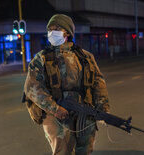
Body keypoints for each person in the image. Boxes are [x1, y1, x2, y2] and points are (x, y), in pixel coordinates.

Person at [23, 14, 109, 155]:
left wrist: (103, 108)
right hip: (56, 114)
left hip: (84, 112)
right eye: (49, 29)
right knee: (62, 151)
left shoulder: (85, 57)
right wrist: (55, 108)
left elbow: (98, 83)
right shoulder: (41, 58)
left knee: (85, 150)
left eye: (56, 28)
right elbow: (32, 88)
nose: (51, 32)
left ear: (67, 32)